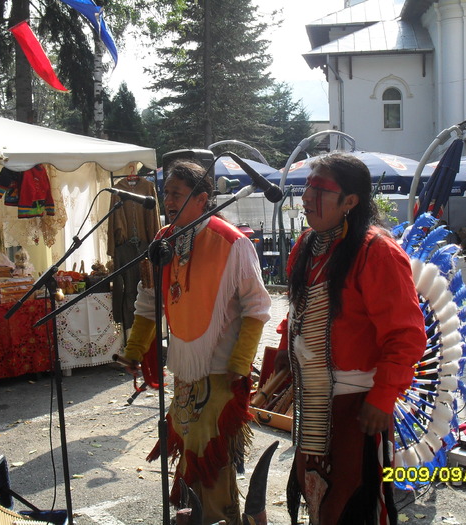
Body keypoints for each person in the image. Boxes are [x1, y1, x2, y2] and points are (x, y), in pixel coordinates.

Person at [274, 153, 426, 525]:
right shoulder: (308, 244)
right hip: (313, 400)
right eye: (307, 187)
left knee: (349, 500)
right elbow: (298, 312)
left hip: (357, 405)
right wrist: (283, 356)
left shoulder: (378, 252)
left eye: (321, 189)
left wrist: (383, 395)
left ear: (351, 201)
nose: (308, 197)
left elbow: (406, 335)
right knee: (316, 493)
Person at [119, 160, 272, 525]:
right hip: (186, 368)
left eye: (176, 193)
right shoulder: (163, 241)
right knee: (189, 445)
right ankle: (198, 518)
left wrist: (238, 364)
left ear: (202, 198)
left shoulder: (232, 242)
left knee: (210, 451)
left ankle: (220, 519)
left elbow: (258, 306)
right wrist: (134, 349)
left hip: (221, 367)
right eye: (165, 192)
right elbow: (149, 300)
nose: (167, 200)